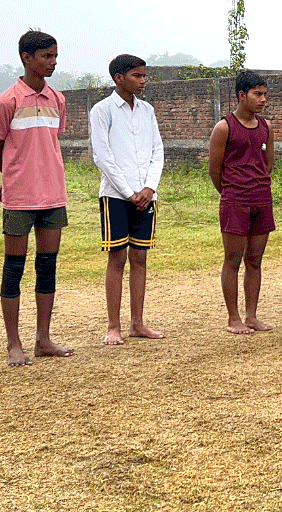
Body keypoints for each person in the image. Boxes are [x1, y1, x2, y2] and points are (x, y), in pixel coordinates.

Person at [0, 30, 74, 366]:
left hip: (53, 196)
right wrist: (14, 178)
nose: (52, 62)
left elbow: (48, 145)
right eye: (46, 56)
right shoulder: (6, 102)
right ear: (26, 57)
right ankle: (14, 343)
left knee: (47, 266)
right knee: (14, 268)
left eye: (55, 56)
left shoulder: (57, 100)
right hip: (20, 200)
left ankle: (43, 339)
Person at [89, 54, 165, 345]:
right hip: (115, 196)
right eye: (137, 75)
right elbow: (102, 156)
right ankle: (113, 326)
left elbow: (157, 150)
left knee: (140, 257)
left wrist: (149, 188)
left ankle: (138, 323)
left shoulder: (147, 110)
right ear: (119, 78)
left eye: (144, 76)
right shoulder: (102, 110)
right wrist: (129, 192)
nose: (143, 81)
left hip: (146, 195)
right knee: (117, 257)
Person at [208, 71, 275, 334]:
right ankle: (233, 318)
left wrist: (257, 186)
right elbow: (215, 170)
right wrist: (232, 193)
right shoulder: (224, 127)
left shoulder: (266, 127)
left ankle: (252, 316)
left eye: (265, 94)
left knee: (255, 260)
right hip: (235, 201)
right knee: (233, 259)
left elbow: (267, 164)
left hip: (262, 200)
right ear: (242, 95)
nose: (263, 99)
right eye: (258, 94)